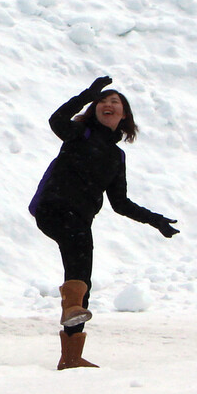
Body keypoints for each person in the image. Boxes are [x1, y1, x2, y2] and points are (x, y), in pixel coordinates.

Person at [29, 75, 179, 370]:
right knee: (78, 253)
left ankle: (71, 354)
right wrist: (86, 94)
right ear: (95, 108)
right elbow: (56, 119)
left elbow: (120, 203)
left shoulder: (116, 156)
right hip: (54, 208)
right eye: (104, 101)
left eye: (116, 102)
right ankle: (71, 308)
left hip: (81, 219)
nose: (108, 104)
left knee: (84, 279)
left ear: (124, 115)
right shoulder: (79, 133)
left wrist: (156, 221)